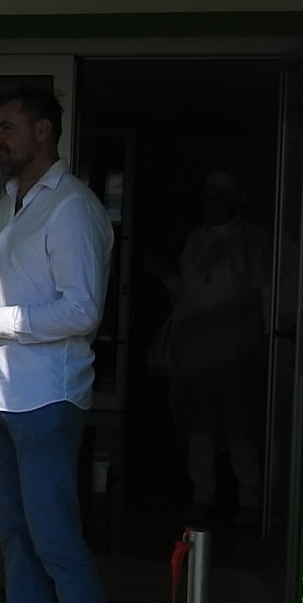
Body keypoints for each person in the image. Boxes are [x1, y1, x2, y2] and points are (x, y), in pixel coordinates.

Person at [0, 86, 113, 603]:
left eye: (7, 128)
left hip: (45, 400)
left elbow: (82, 309)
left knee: (55, 542)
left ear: (42, 131)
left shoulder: (71, 206)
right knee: (17, 539)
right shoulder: (6, 205)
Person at [153, 170, 270, 526]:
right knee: (199, 428)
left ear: (236, 201)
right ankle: (202, 496)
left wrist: (268, 344)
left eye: (221, 197)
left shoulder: (253, 240)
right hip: (196, 354)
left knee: (239, 428)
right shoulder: (196, 239)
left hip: (236, 353)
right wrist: (162, 275)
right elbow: (188, 293)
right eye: (209, 197)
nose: (214, 204)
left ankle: (250, 500)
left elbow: (267, 294)